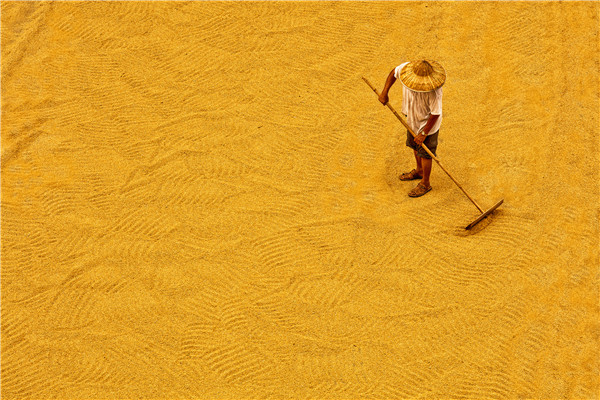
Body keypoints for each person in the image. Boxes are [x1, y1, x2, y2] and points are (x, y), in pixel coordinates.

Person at [378, 59, 446, 197]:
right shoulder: (405, 70)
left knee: (426, 154)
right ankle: (419, 170)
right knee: (415, 146)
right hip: (412, 118)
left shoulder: (434, 91)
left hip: (428, 124)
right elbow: (393, 72)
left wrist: (424, 133)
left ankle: (425, 183)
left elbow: (435, 114)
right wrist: (385, 92)